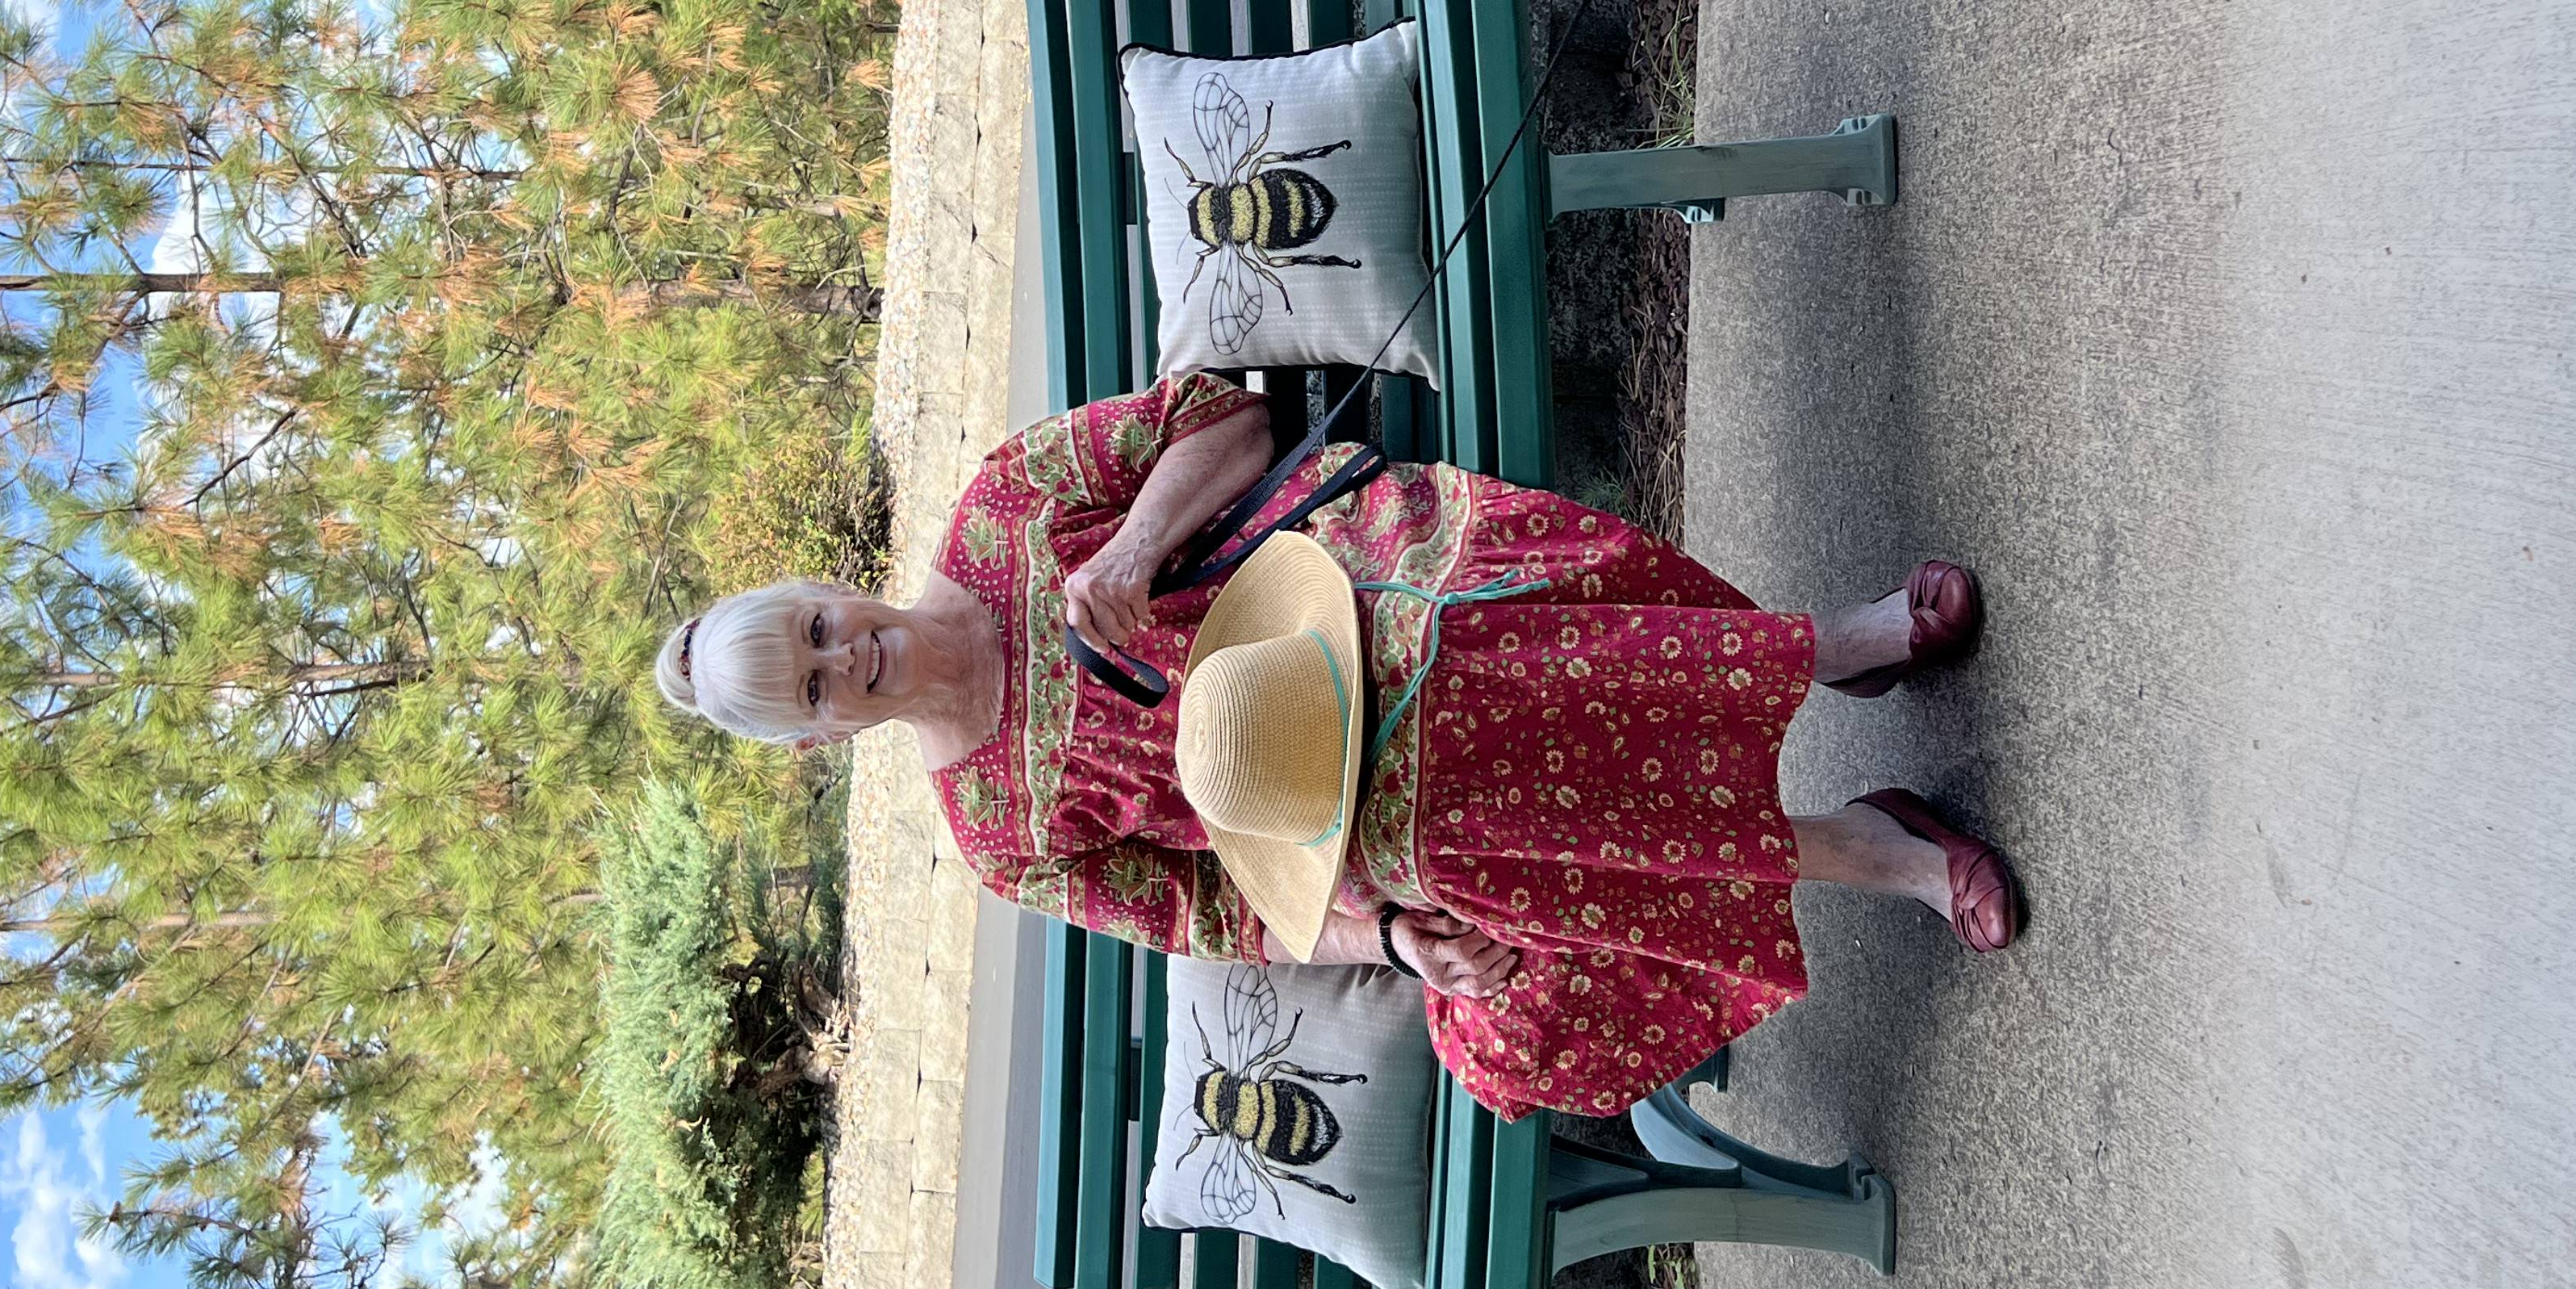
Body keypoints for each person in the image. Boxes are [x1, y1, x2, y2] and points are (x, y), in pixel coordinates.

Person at [654, 370, 2016, 1120]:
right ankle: (1863, 849)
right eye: (820, 688)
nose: (850, 658)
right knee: (1488, 915)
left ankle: (1838, 648)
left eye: (820, 630)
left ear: (826, 593)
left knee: (1470, 693)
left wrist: (1134, 546)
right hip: (1339, 825)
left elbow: (1226, 418)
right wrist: (1397, 941)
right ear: (818, 741)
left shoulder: (1004, 509)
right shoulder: (999, 836)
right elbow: (1222, 918)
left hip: (1341, 599)